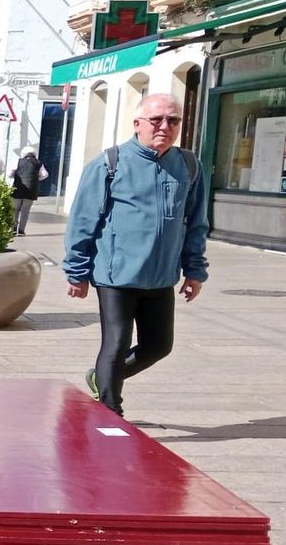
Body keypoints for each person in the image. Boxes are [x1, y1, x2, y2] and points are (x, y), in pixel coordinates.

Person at [63, 93, 207, 418]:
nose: (164, 126)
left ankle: (101, 379)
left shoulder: (188, 165)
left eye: (173, 120)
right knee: (115, 344)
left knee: (159, 346)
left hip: (160, 277)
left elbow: (196, 222)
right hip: (116, 275)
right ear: (138, 123)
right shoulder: (109, 163)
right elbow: (83, 221)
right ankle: (111, 413)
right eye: (156, 120)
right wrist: (77, 271)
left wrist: (194, 270)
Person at [10, 145, 42, 236]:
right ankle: (21, 230)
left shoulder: (18, 161)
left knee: (15, 209)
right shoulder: (38, 163)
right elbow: (44, 174)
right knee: (25, 210)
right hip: (31, 190)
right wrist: (36, 178)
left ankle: (13, 228)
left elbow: (10, 173)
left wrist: (15, 176)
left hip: (18, 188)